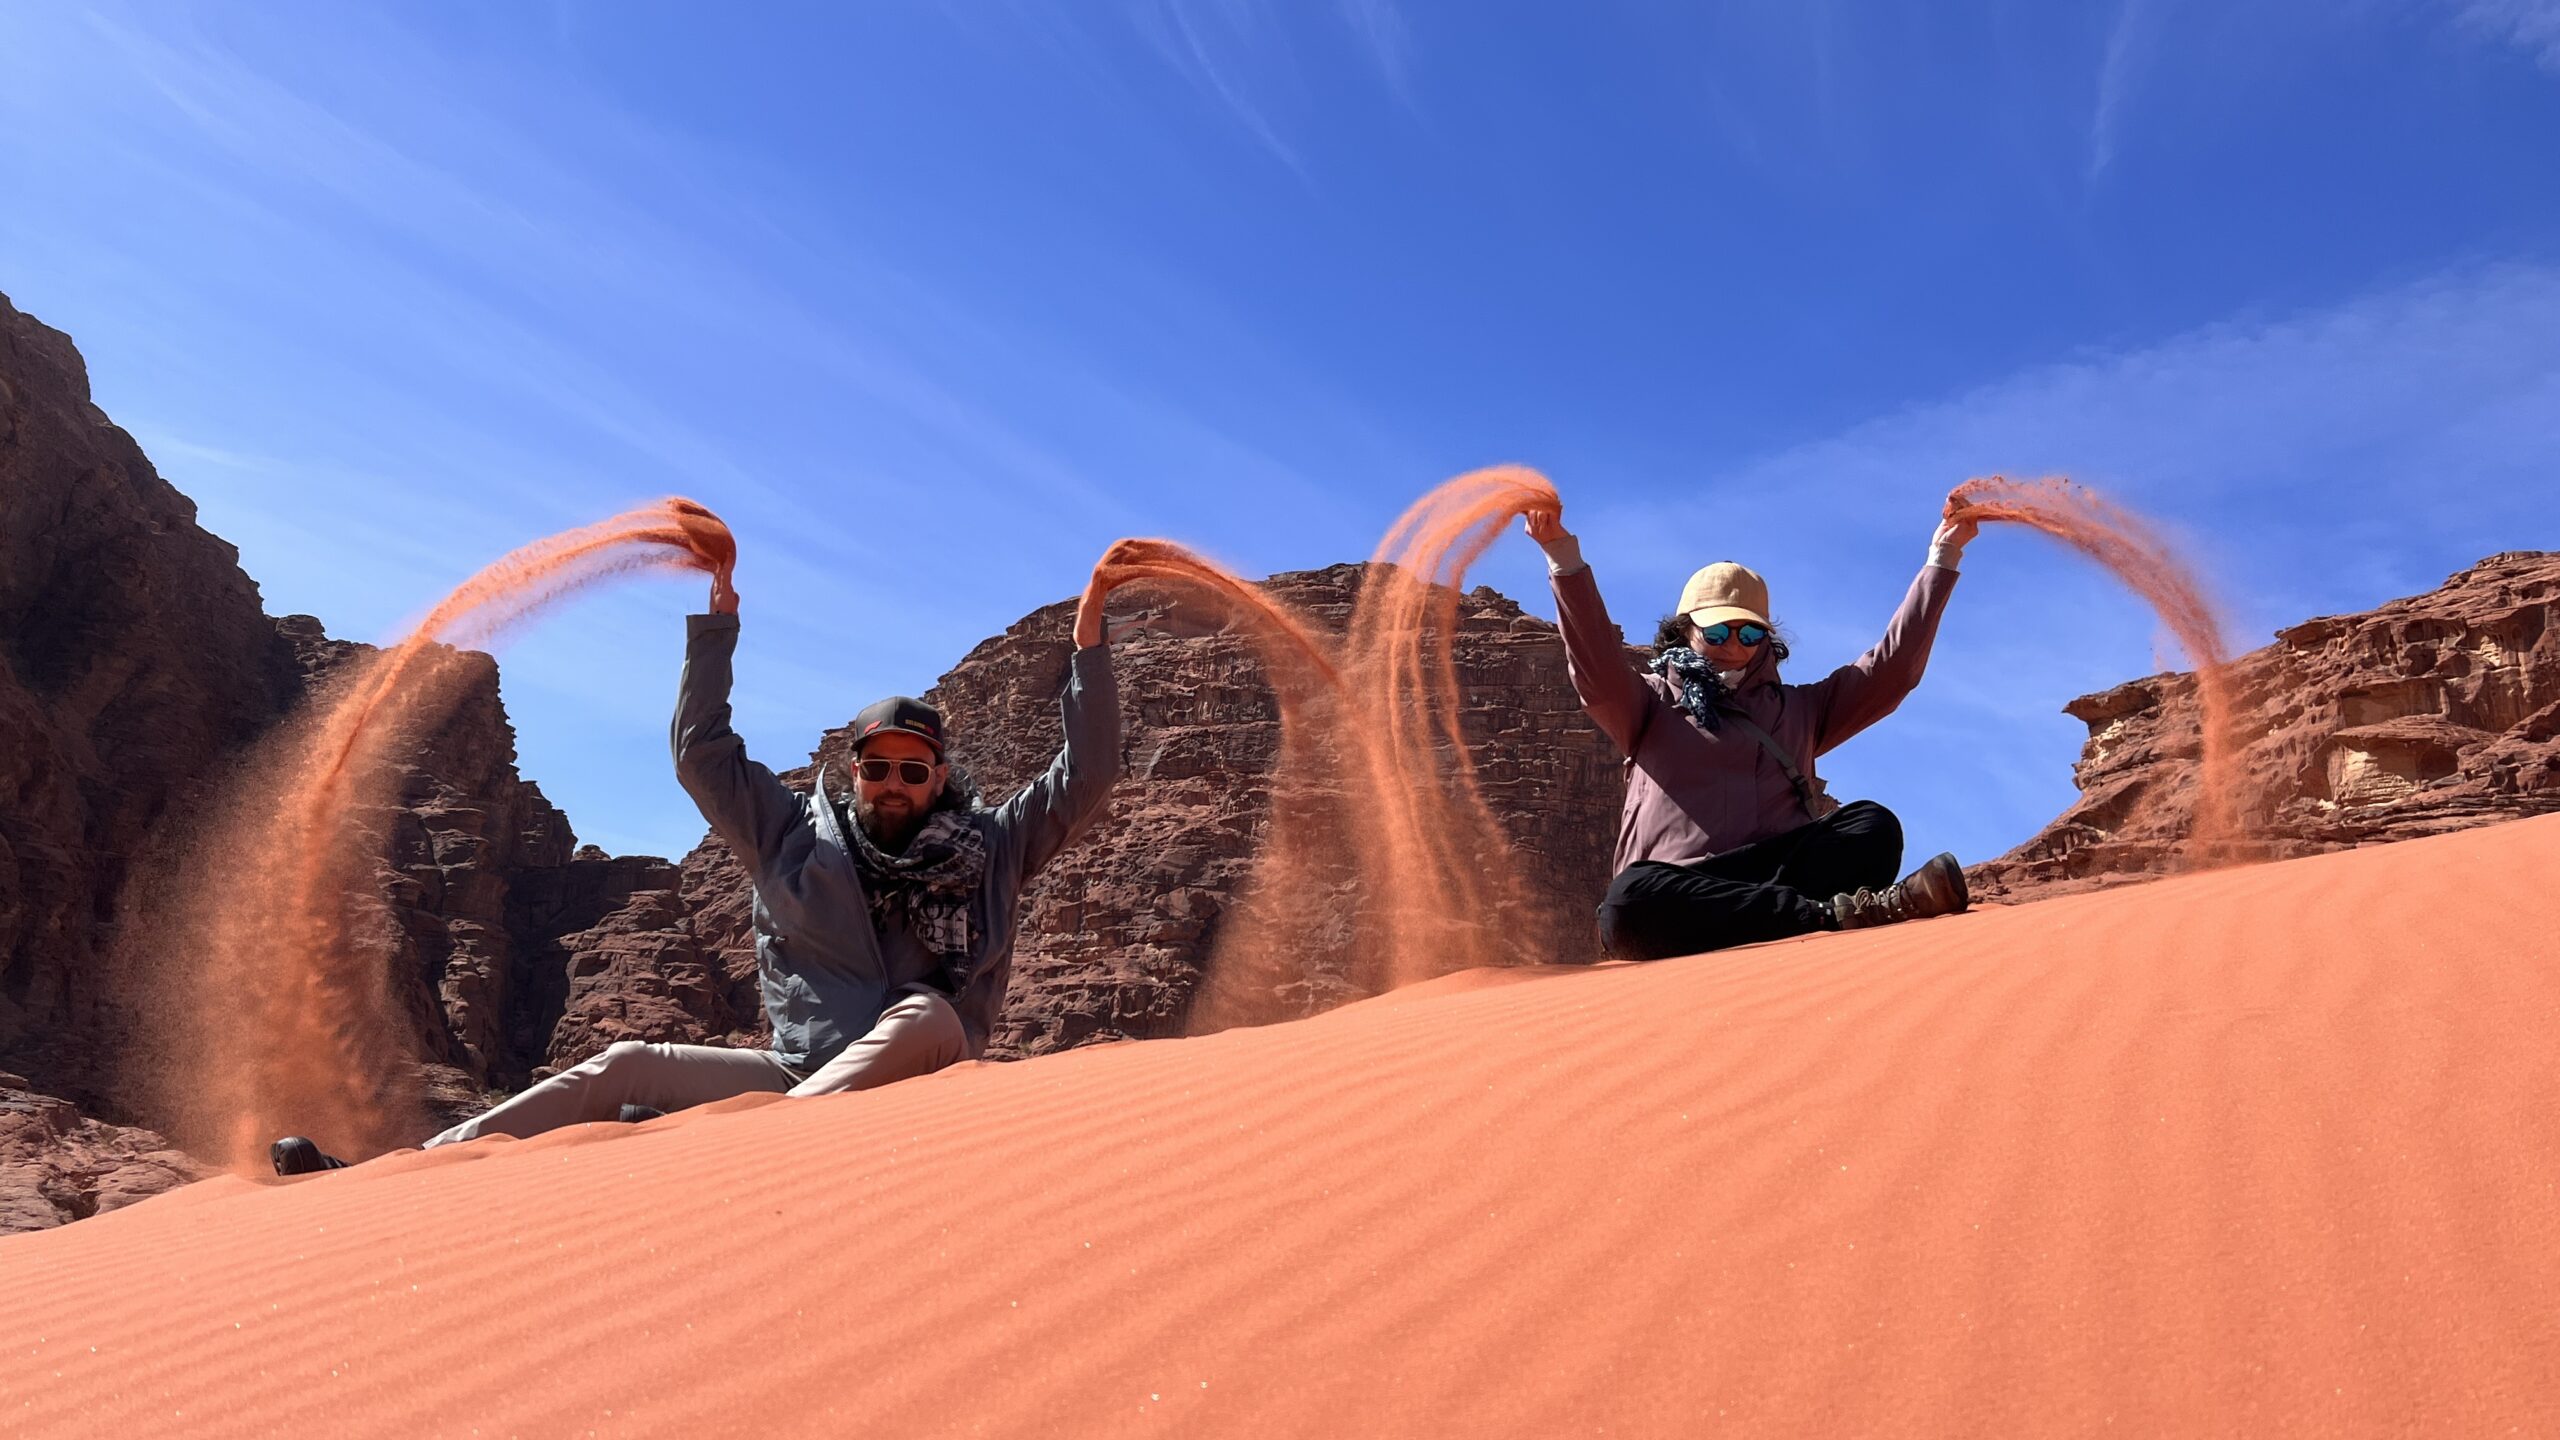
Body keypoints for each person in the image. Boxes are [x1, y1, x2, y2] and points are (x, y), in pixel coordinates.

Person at [273, 554, 1121, 1174]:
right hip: (804, 1074)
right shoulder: (794, 836)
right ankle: (411, 1169)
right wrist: (718, 627)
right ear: (853, 770)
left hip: (923, 1069)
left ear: (940, 776)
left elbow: (1085, 777)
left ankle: (757, 1154)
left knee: (928, 1016)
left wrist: (1088, 644)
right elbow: (701, 755)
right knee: (626, 1064)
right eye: (875, 767)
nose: (892, 784)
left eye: (911, 769)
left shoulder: (995, 846)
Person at [1522, 501, 1976, 962]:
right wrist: (1563, 557)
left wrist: (1943, 558)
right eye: (1717, 632)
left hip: (1778, 869)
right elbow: (1595, 667)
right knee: (1628, 900)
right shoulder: (1650, 702)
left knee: (1872, 826)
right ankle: (1826, 916)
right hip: (1683, 888)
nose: (1734, 646)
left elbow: (1890, 672)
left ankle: (1803, 914)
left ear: (1766, 637)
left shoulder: (1800, 709)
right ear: (1685, 631)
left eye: (1749, 633)